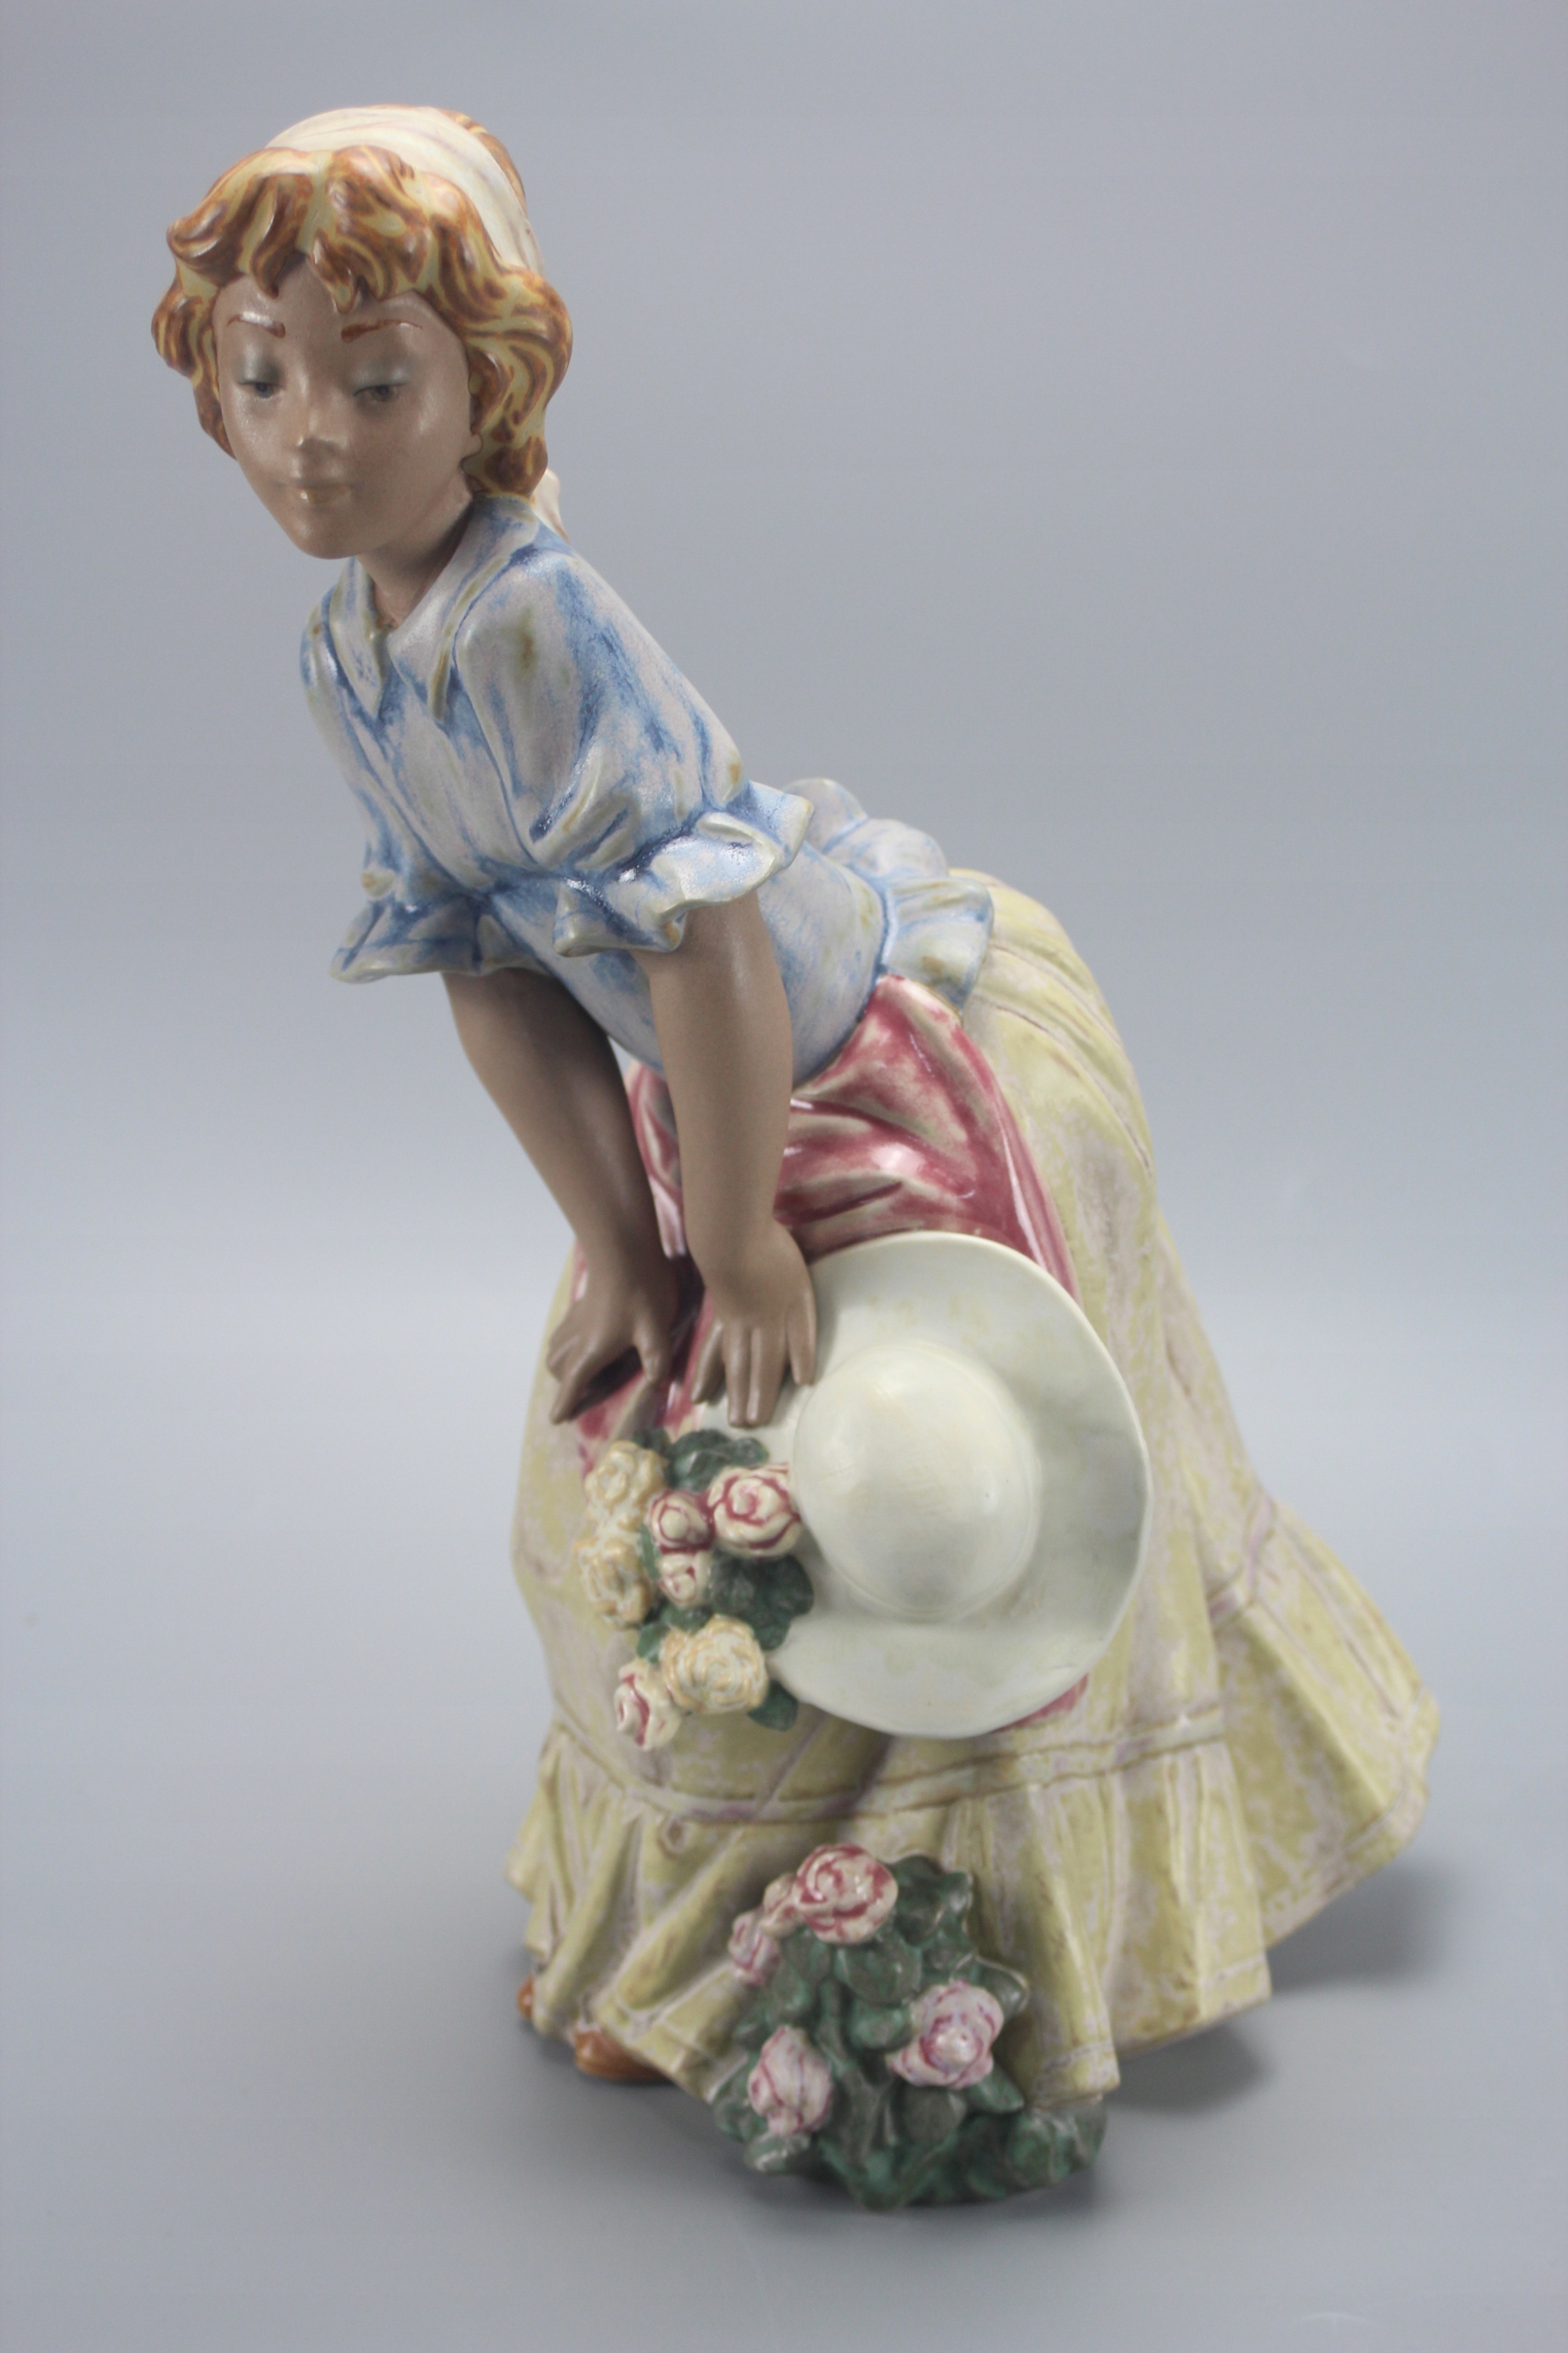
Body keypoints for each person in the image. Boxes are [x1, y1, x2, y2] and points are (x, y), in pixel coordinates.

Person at [154, 106, 1437, 2120]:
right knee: (617, 1468)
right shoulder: (353, 658)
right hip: (706, 1099)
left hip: (851, 1062)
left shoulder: (534, 621)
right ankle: (689, 1949)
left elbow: (708, 942)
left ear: (489, 390)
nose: (312, 435)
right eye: (262, 378)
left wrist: (739, 1240)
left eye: (376, 381)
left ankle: (950, 1943)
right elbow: (490, 961)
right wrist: (621, 1239)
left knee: (872, 1488)